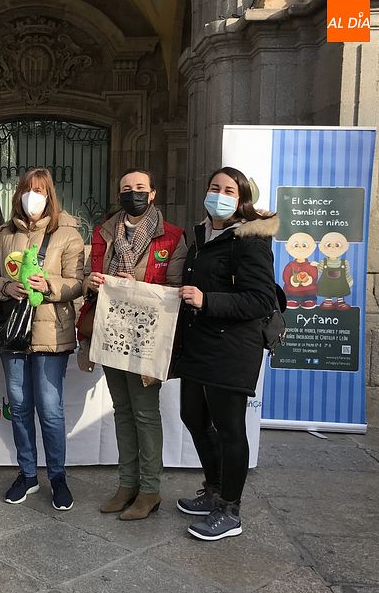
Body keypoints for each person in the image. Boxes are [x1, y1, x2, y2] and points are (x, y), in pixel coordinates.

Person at [174, 166, 278, 541]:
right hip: (200, 343)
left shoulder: (250, 239)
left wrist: (207, 300)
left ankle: (230, 510)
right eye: (214, 187)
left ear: (242, 199)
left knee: (231, 429)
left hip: (232, 347)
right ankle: (214, 488)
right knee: (192, 416)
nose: (219, 194)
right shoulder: (201, 234)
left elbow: (261, 299)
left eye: (229, 190)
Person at [86, 169, 187, 520]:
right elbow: (88, 273)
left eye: (140, 188)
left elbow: (176, 291)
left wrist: (136, 287)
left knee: (145, 413)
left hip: (147, 337)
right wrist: (94, 281)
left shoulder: (173, 237)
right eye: (126, 188)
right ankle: (126, 483)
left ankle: (150, 490)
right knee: (122, 411)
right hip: (112, 331)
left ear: (153, 193)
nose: (134, 193)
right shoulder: (103, 233)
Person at [0, 167, 84, 510]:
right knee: (20, 405)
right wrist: (3, 287)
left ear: (50, 196)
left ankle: (57, 476)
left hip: (51, 332)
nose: (32, 196)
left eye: (40, 190)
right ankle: (27, 473)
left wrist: (50, 286)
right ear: (18, 194)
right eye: (27, 189)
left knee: (51, 409)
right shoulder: (2, 234)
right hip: (12, 331)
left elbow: (77, 282)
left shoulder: (68, 235)